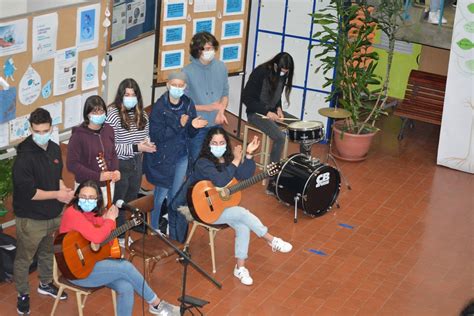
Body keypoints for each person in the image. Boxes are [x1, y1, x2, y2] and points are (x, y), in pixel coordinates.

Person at [59, 180, 180, 316]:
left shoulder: (94, 213)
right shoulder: (72, 213)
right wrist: (110, 220)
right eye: (83, 197)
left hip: (93, 264)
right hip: (76, 271)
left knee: (126, 287)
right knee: (125, 266)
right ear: (76, 196)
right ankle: (156, 304)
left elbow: (107, 240)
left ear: (97, 199)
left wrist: (106, 221)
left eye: (91, 198)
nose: (87, 200)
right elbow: (98, 237)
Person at [190, 127, 293, 285]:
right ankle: (270, 239)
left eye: (222, 142)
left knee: (243, 226)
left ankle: (240, 268)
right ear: (208, 144)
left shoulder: (228, 158)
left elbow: (244, 175)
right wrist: (236, 161)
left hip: (222, 207)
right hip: (204, 208)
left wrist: (249, 155)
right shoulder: (203, 162)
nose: (219, 146)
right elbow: (220, 181)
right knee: (242, 213)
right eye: (215, 143)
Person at [12, 108, 75, 315]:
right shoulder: (23, 157)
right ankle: (22, 294)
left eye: (45, 131)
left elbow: (56, 176)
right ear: (31, 129)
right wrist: (58, 194)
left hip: (53, 214)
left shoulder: (55, 149)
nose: (41, 135)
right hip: (31, 219)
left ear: (51, 128)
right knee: (25, 259)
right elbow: (30, 193)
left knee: (48, 250)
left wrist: (63, 190)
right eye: (37, 131)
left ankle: (45, 283)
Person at [144, 71, 207, 242]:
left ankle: (173, 231)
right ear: (168, 85)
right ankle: (154, 227)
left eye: (181, 86)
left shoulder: (187, 104)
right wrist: (179, 125)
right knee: (160, 194)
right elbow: (157, 135)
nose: (177, 88)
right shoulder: (159, 107)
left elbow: (191, 133)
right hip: (163, 158)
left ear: (185, 87)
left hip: (181, 157)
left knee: (175, 194)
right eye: (174, 85)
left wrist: (194, 126)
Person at [106, 78, 156, 246]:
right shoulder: (112, 115)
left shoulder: (142, 114)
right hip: (119, 164)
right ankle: (118, 237)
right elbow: (111, 148)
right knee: (119, 202)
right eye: (126, 94)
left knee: (131, 201)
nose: (130, 98)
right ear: (121, 96)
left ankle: (125, 233)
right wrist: (137, 148)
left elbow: (145, 137)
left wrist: (147, 145)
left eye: (133, 95)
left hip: (136, 163)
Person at [242, 52, 296, 195]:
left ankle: (303, 170)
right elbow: (247, 98)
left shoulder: (282, 75)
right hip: (256, 113)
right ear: (276, 65)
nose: (284, 74)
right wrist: (266, 112)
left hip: (271, 111)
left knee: (300, 126)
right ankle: (273, 180)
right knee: (280, 138)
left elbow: (276, 96)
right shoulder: (260, 72)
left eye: (287, 72)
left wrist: (279, 109)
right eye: (283, 70)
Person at [183, 31, 229, 163]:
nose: (212, 51)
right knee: (197, 161)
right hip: (198, 126)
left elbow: (225, 94)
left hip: (217, 123)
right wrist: (207, 108)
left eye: (213, 48)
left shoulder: (221, 67)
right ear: (198, 51)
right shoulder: (187, 72)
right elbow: (184, 104)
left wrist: (221, 110)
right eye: (208, 49)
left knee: (216, 161)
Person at [67, 95, 120, 206]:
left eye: (101, 111)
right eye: (94, 112)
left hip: (107, 185)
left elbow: (113, 152)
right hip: (87, 187)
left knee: (105, 217)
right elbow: (72, 165)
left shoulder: (109, 129)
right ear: (87, 115)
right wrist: (98, 176)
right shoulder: (78, 136)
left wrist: (116, 170)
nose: (99, 115)